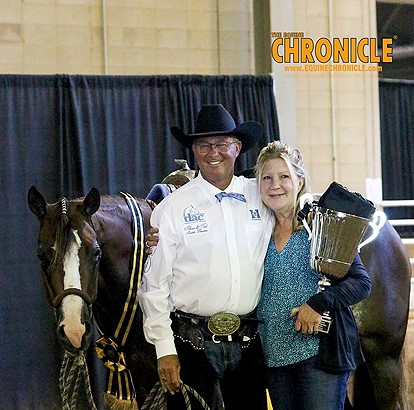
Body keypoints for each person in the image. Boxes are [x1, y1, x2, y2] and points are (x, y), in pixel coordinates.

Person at [138, 104, 274, 410]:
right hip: (191, 344)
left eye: (222, 144)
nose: (213, 152)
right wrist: (164, 348)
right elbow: (154, 286)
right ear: (194, 151)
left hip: (249, 344)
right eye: (204, 145)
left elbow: (294, 207)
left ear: (237, 148)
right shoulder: (171, 209)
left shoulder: (262, 196)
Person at [255, 141, 371, 410]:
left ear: (300, 180)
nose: (275, 185)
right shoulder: (257, 230)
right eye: (267, 177)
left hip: (319, 355)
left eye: (284, 176)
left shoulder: (320, 222)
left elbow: (361, 283)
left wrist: (317, 304)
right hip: (275, 355)